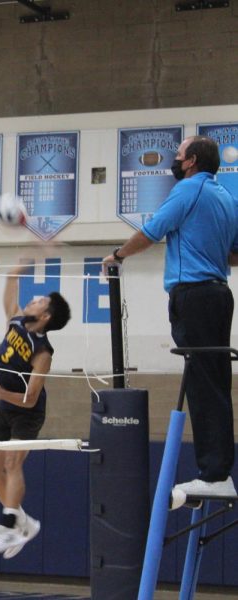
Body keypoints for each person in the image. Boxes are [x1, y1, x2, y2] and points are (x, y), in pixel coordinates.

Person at [103, 135, 238, 498]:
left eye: (178, 155)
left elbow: (152, 232)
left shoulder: (188, 190)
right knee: (214, 382)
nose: (174, 161)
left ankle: (214, 474)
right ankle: (218, 470)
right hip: (219, 295)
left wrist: (117, 255)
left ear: (191, 161)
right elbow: (234, 255)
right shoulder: (227, 197)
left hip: (194, 296)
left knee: (203, 384)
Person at [0, 263, 70, 558]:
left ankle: (7, 526)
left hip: (27, 412)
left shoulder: (43, 353)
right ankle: (24, 523)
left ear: (45, 317)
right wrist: (20, 265)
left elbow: (30, 400)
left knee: (12, 463)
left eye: (40, 300)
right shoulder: (15, 321)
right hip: (4, 406)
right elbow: (10, 287)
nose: (33, 299)